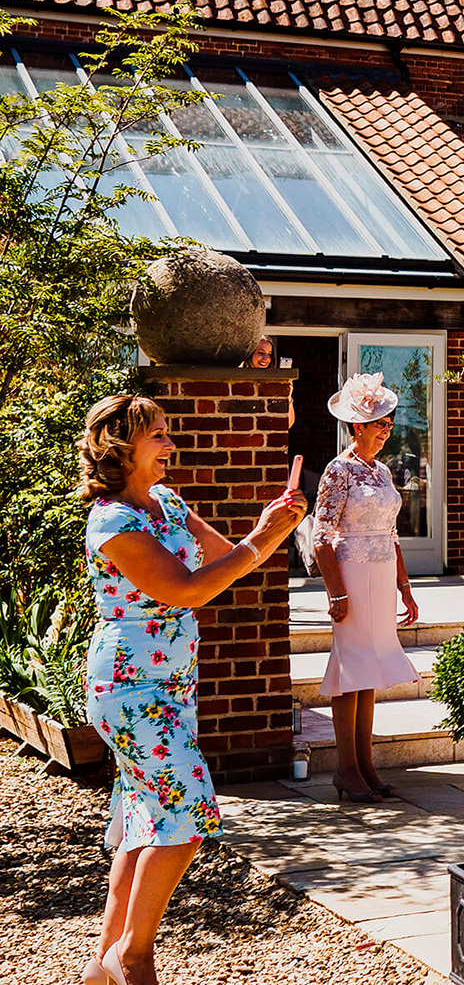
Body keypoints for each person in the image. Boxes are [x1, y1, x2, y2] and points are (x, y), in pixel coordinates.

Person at [78, 394, 307, 985]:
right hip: (129, 687)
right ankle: (134, 955)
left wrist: (274, 526)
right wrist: (259, 539)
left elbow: (229, 559)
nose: (171, 445)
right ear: (120, 449)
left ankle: (104, 965)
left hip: (172, 685)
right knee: (188, 817)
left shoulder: (167, 502)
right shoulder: (111, 521)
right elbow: (186, 590)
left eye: (167, 433)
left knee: (144, 819)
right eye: (158, 435)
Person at [313, 373, 421, 802]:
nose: (386, 431)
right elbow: (321, 534)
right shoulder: (337, 470)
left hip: (380, 575)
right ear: (357, 426)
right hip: (352, 576)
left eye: (390, 424)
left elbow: (391, 533)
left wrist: (405, 587)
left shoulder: (380, 472)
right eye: (380, 424)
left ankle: (366, 764)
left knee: (370, 672)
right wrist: (335, 592)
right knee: (351, 670)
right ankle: (346, 768)